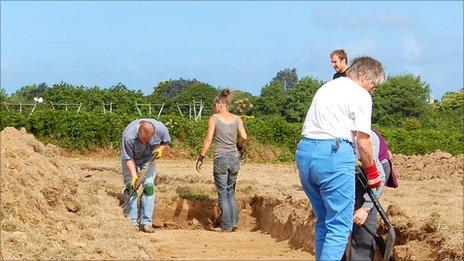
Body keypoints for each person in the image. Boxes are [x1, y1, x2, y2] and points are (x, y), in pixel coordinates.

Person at [296, 56, 385, 260]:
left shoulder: (327, 87)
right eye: (373, 85)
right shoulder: (361, 95)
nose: (372, 90)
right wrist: (372, 172)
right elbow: (363, 141)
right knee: (339, 225)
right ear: (364, 76)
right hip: (334, 155)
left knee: (324, 220)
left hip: (306, 153)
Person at [196, 88, 247, 232]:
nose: (215, 108)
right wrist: (239, 146)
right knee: (231, 191)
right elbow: (244, 136)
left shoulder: (214, 118)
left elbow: (209, 139)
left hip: (221, 158)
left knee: (222, 193)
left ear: (220, 104)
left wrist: (201, 157)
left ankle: (226, 225)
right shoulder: (237, 119)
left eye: (215, 105)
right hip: (234, 158)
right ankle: (234, 221)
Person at [121, 119, 171, 233]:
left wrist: (161, 149)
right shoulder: (128, 136)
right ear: (138, 132)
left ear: (153, 134)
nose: (145, 143)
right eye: (142, 140)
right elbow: (128, 158)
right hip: (131, 158)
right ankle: (132, 222)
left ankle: (146, 222)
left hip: (149, 157)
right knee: (131, 187)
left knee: (149, 187)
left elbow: (166, 142)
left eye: (148, 140)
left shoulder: (161, 129)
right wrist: (134, 176)